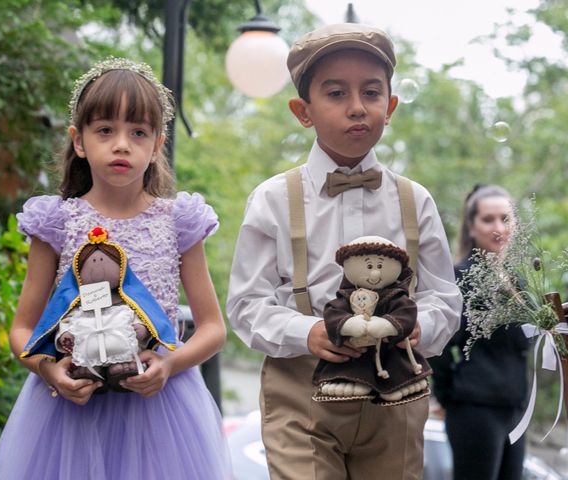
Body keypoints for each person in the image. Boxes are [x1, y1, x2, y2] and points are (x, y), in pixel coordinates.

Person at [226, 23, 462, 480]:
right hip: (302, 395)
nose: (357, 107)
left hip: (397, 394)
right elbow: (246, 303)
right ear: (303, 110)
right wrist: (308, 330)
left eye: (371, 93)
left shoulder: (416, 200)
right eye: (335, 93)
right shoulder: (274, 199)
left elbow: (444, 299)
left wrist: (419, 326)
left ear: (389, 106)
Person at [0, 57, 231, 479]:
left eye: (138, 132)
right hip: (69, 414)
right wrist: (50, 370)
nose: (122, 144)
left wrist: (170, 364)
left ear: (157, 145)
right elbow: (22, 330)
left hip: (160, 412)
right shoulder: (57, 223)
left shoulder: (178, 222)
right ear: (78, 141)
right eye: (105, 130)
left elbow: (213, 328)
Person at [430, 184, 530, 480]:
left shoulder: (519, 283)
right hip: (475, 410)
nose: (498, 227)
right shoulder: (459, 279)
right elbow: (439, 346)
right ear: (471, 226)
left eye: (505, 218)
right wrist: (451, 396)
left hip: (516, 409)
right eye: (488, 219)